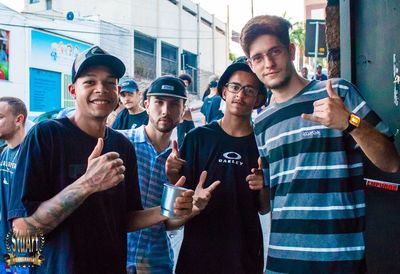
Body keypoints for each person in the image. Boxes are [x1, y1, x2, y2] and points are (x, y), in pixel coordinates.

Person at [8, 46, 194, 273]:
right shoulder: (46, 136)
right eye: (90, 82)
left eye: (109, 83)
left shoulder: (121, 146)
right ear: (73, 90)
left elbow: (125, 218)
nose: (101, 90)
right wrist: (87, 184)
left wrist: (168, 209)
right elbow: (21, 231)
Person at [240, 15, 400, 273]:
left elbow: (391, 161)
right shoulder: (262, 123)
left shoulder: (338, 93)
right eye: (258, 57)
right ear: (251, 63)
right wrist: (260, 185)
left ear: (291, 51)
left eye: (275, 52)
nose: (268, 63)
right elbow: (267, 204)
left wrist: (350, 122)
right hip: (282, 261)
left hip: (339, 260)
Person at [165, 61, 270, 274]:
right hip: (198, 252)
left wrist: (263, 185)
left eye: (249, 90)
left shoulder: (264, 143)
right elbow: (176, 207)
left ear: (258, 99)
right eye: (235, 87)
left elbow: (264, 207)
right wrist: (172, 172)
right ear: (224, 92)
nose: (240, 95)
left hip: (245, 254)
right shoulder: (197, 138)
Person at [120, 76, 218, 273]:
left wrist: (195, 208)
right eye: (159, 102)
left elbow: (170, 224)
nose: (165, 110)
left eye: (174, 104)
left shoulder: (182, 161)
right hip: (114, 257)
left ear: (183, 112)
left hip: (156, 262)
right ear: (146, 105)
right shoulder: (122, 143)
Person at [0, 97, 29, 274]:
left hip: (23, 249)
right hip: (3, 246)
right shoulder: (4, 152)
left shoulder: (30, 154)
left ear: (19, 120)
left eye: (0, 117)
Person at [176, 73, 195, 147]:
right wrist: (179, 117)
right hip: (181, 118)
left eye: (187, 82)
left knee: (193, 134)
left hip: (189, 118)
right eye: (184, 82)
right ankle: (180, 153)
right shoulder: (179, 92)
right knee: (181, 138)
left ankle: (191, 149)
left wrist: (190, 108)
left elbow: (187, 105)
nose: (186, 84)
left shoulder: (186, 92)